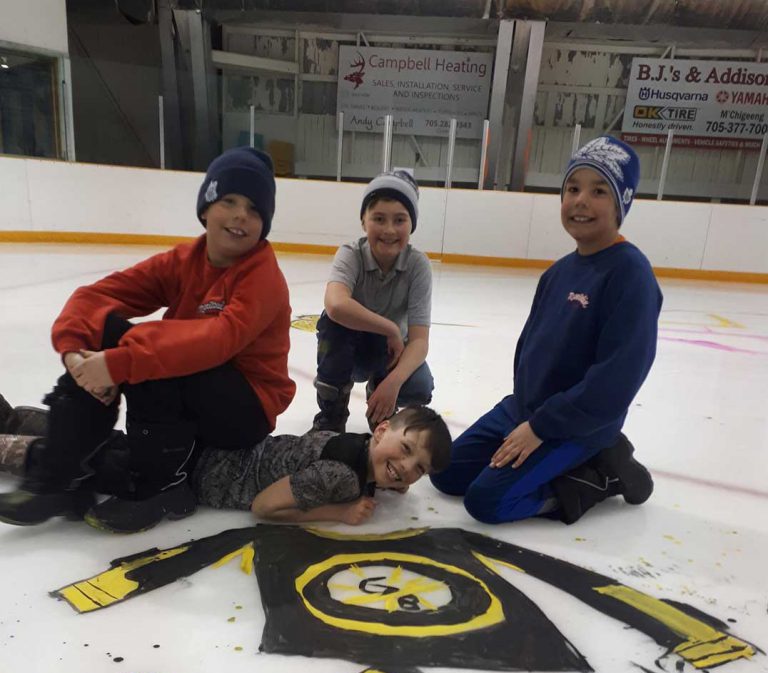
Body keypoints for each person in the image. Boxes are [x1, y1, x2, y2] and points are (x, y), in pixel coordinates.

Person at [0, 147, 294, 533]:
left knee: (153, 351)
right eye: (229, 200)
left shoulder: (262, 277)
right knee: (112, 332)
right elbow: (96, 297)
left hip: (245, 411)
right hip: (193, 385)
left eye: (255, 210)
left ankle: (161, 487)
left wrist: (120, 363)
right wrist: (76, 354)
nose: (242, 215)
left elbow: (218, 339)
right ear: (205, 208)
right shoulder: (185, 260)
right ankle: (62, 476)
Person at [431, 135, 661, 526]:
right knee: (445, 471)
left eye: (599, 190)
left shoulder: (630, 275)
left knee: (487, 502)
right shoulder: (558, 273)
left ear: (622, 202)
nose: (580, 201)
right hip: (524, 411)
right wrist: (525, 413)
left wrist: (540, 428)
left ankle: (598, 476)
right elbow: (531, 349)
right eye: (572, 188)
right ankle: (571, 457)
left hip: (577, 425)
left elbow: (616, 381)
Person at [0, 403, 452, 528]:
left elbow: (388, 464)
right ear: (381, 431)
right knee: (105, 462)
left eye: (420, 469)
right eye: (407, 449)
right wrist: (338, 512)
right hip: (203, 474)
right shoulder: (339, 476)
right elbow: (263, 506)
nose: (407, 468)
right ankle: (11, 447)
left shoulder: (356, 445)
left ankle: (17, 417)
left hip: (211, 449)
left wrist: (392, 478)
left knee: (111, 442)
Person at [313, 169, 434, 433]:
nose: (389, 230)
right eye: (379, 218)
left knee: (420, 388)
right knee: (332, 324)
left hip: (391, 353)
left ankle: (379, 390)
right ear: (363, 221)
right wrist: (389, 328)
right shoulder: (351, 254)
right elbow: (335, 304)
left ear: (411, 224)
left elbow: (420, 341)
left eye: (400, 220)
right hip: (351, 350)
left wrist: (393, 383)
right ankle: (332, 412)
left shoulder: (418, 265)